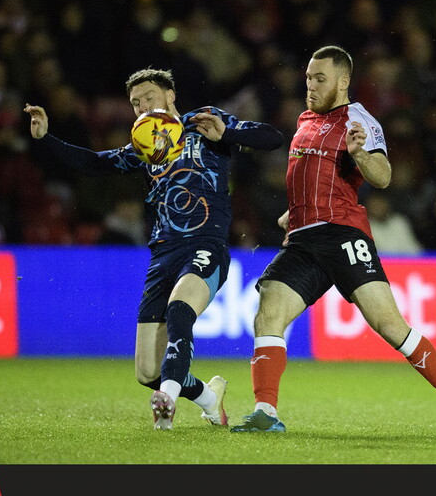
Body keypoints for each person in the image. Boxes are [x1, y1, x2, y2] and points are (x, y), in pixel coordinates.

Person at [229, 46, 436, 435]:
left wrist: (360, 155)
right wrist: (295, 212)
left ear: (342, 81)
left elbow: (383, 176)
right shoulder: (305, 120)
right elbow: (315, 180)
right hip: (304, 239)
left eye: (320, 78)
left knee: (391, 326)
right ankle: (265, 412)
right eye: (308, 77)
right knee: (268, 312)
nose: (310, 85)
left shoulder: (357, 119)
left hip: (343, 234)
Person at [24, 68, 284, 430]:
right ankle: (209, 398)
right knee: (148, 371)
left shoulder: (204, 122)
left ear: (170, 96)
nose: (142, 106)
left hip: (206, 244)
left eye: (148, 98)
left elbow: (273, 138)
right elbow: (94, 164)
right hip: (162, 254)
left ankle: (167, 401)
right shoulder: (143, 146)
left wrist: (229, 132)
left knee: (181, 308)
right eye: (134, 103)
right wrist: (46, 138)